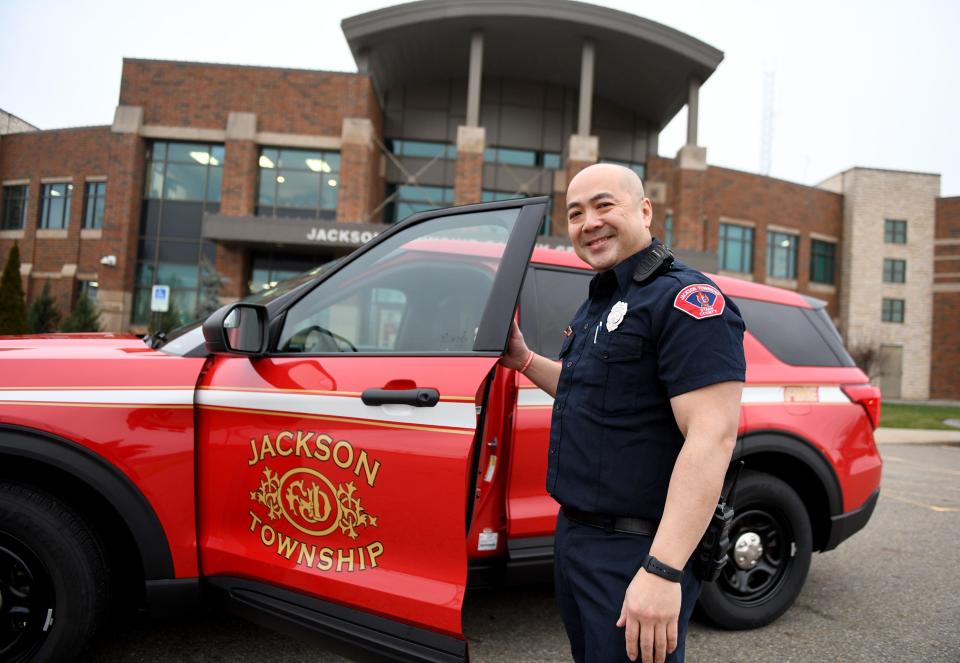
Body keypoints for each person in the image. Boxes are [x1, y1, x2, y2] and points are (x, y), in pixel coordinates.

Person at [500, 163, 745, 663]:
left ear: (644, 210)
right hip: (577, 538)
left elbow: (711, 437)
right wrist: (524, 360)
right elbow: (585, 390)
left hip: (638, 549)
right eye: (575, 213)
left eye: (603, 205)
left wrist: (662, 571)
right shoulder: (601, 300)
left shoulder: (686, 300)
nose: (589, 222)